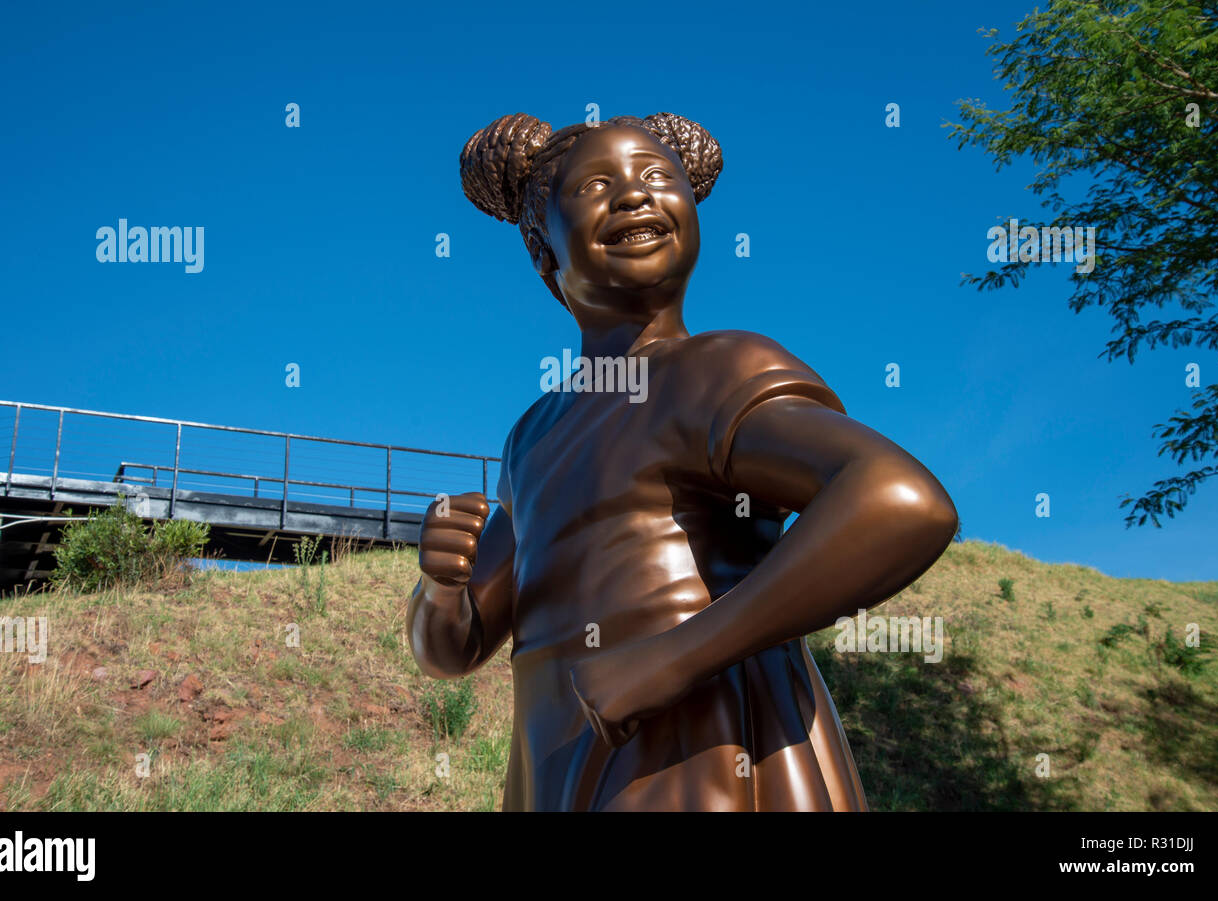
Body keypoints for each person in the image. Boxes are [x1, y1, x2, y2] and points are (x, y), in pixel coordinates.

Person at [406, 113, 958, 810]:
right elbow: (454, 649)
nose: (634, 195)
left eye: (657, 176)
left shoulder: (717, 369)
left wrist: (674, 659)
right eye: (596, 185)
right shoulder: (530, 439)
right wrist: (442, 587)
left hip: (707, 754)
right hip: (557, 766)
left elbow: (899, 499)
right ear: (543, 250)